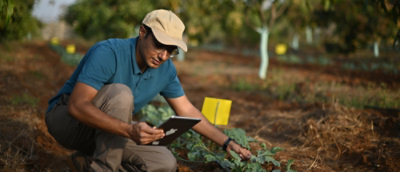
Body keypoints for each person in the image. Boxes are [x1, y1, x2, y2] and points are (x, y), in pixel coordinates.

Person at [45, 9, 252, 172]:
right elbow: (77, 105)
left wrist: (227, 143)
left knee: (163, 163)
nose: (163, 55)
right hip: (68, 122)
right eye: (159, 44)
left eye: (171, 50)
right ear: (143, 32)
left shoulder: (166, 70)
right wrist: (129, 130)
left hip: (108, 131)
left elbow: (187, 111)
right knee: (121, 94)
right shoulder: (109, 53)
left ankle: (84, 163)